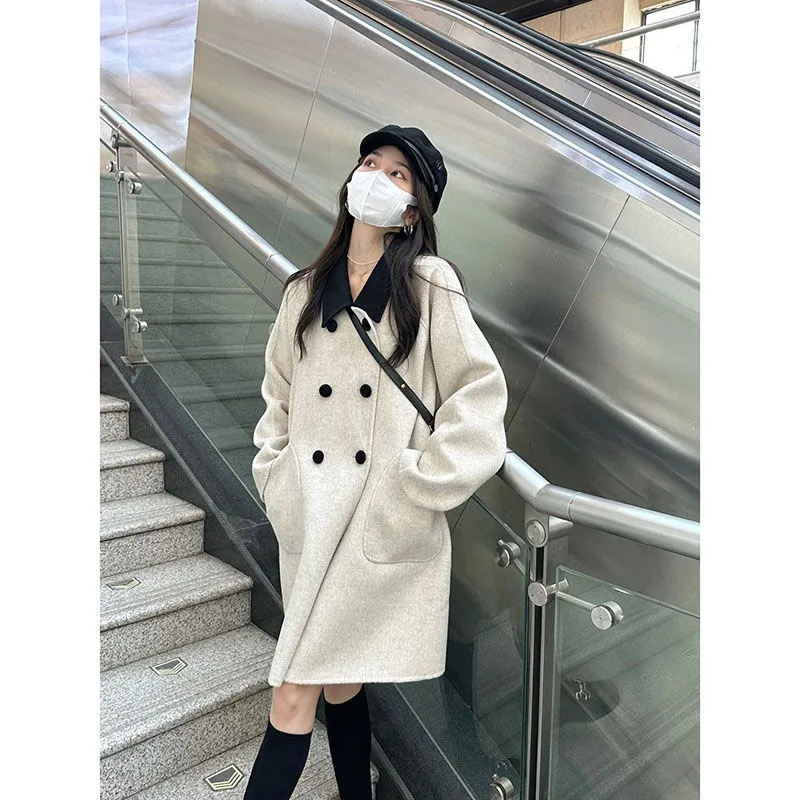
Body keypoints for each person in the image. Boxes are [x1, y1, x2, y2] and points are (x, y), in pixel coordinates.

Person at [246, 125, 509, 799]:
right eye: (371, 163)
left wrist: (416, 486)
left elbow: (479, 396)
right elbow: (278, 394)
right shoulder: (304, 290)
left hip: (373, 520)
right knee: (338, 680)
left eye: (398, 174)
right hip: (311, 516)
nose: (377, 178)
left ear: (413, 211)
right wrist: (277, 476)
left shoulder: (428, 284)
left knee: (294, 691)